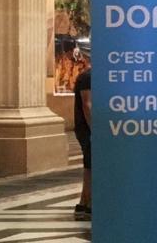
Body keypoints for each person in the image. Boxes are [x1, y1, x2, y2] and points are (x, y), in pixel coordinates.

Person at [72, 47, 92, 221]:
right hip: (87, 129)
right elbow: (87, 105)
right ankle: (88, 203)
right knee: (92, 165)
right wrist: (95, 130)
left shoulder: (89, 76)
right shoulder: (88, 77)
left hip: (88, 129)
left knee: (90, 166)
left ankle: (84, 203)